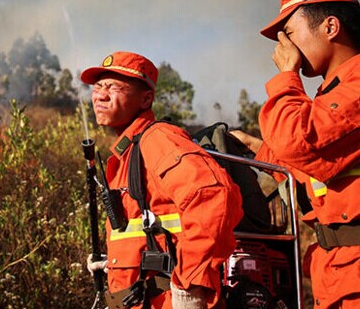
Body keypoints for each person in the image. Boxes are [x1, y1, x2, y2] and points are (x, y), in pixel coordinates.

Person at [252, 0, 360, 308]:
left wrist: (287, 77)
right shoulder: (335, 98)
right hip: (345, 276)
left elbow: (299, 142)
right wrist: (252, 148)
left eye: (290, 32)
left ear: (330, 27)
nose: (284, 46)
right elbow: (303, 161)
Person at [81, 51, 243, 309]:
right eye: (98, 86)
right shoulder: (129, 151)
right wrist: (114, 261)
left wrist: (189, 287)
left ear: (146, 99)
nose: (100, 95)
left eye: (113, 87)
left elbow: (214, 196)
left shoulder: (158, 140)